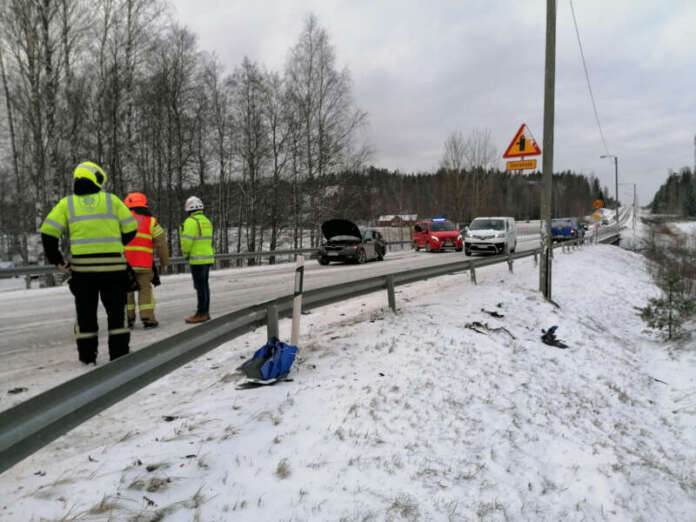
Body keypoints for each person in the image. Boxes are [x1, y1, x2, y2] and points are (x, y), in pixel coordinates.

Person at [40, 161, 138, 364]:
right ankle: (119, 357)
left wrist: (57, 259)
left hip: (83, 273)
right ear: (96, 178)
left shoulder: (67, 204)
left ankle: (87, 358)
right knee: (117, 316)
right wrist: (116, 244)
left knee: (85, 316)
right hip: (114, 271)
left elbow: (48, 232)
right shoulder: (112, 201)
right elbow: (131, 228)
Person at [123, 192, 170, 329]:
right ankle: (148, 318)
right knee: (145, 290)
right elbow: (161, 244)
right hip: (144, 264)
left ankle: (128, 319)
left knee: (126, 292)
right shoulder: (151, 222)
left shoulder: (120, 221)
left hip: (125, 265)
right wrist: (164, 262)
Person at [180, 196, 214, 323]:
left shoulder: (190, 222)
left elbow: (187, 242)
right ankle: (205, 311)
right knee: (204, 286)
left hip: (197, 260)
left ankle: (201, 313)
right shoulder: (206, 221)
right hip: (207, 258)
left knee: (200, 287)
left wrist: (185, 254)